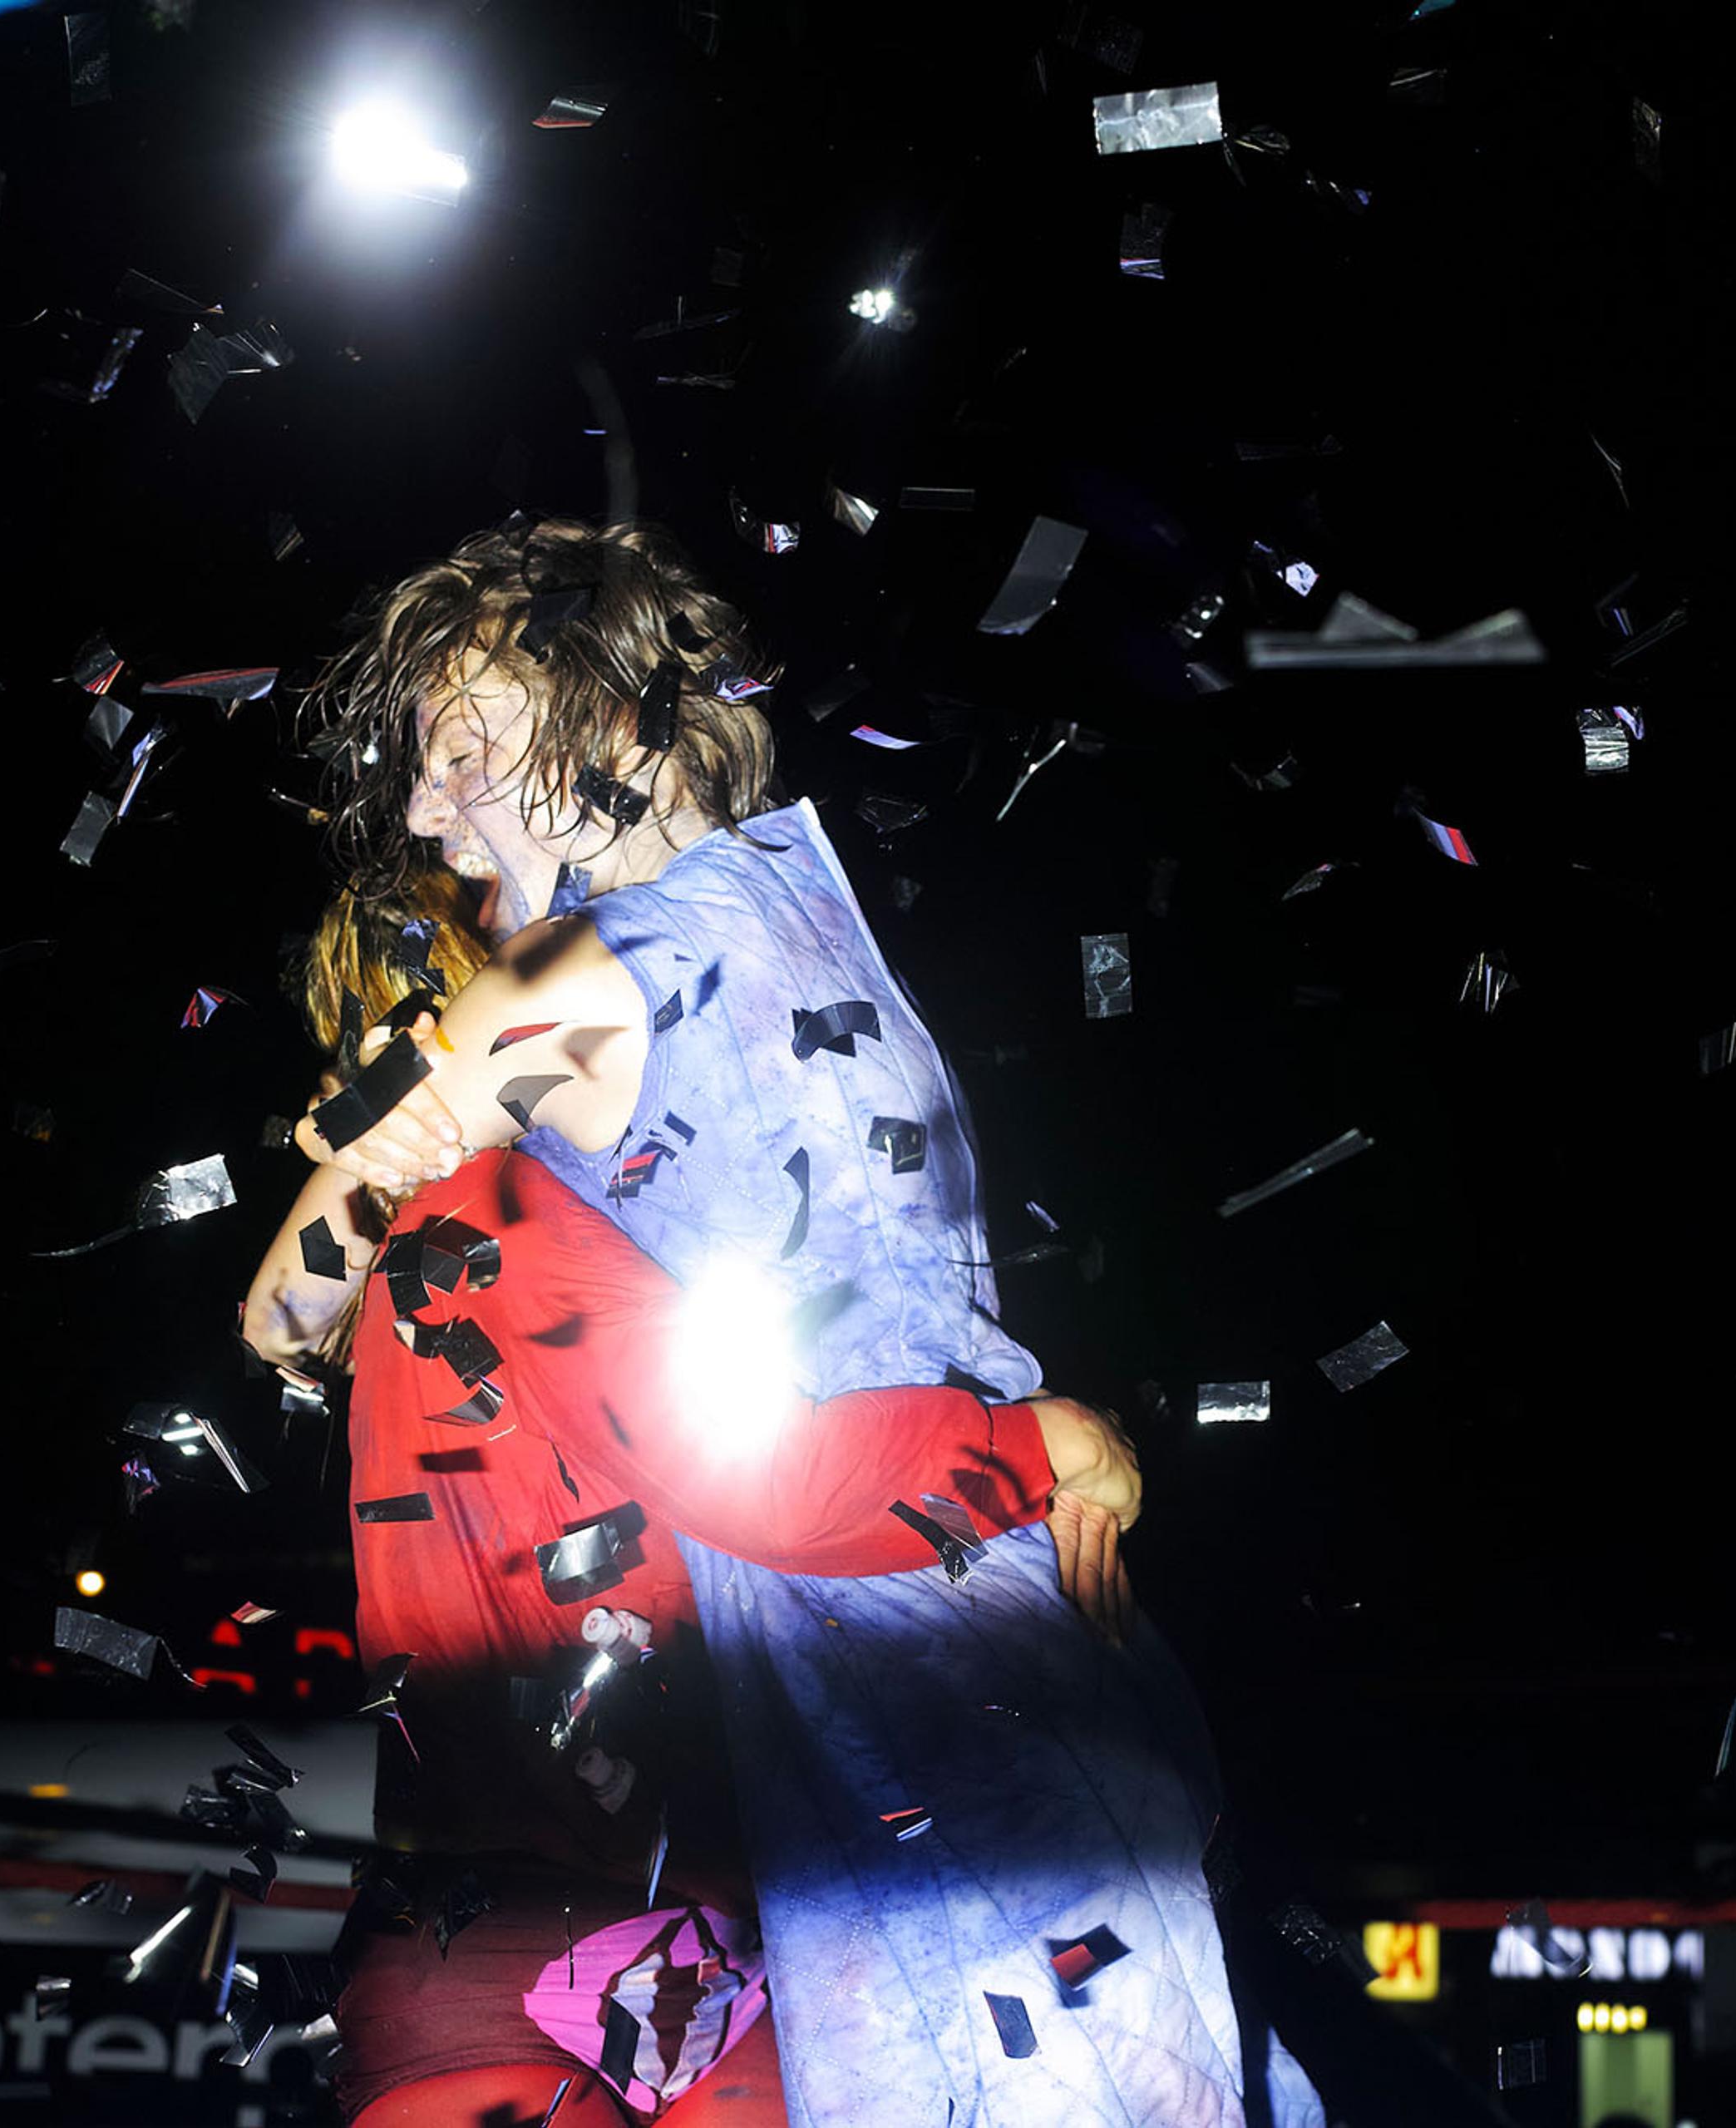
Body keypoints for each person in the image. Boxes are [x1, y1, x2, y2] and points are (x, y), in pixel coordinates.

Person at [294, 516, 1324, 2128]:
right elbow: (766, 1481)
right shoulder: (518, 1176)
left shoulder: (540, 1158)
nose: (442, 815)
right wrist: (1042, 1441)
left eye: (466, 755)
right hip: (710, 1853)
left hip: (641, 1871)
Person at [241, 878, 1148, 2127]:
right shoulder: (501, 1215)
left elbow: (275, 1320)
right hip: (601, 1914)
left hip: (506, 1922)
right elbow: (772, 1484)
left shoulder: (414, 1262)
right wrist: (1051, 1444)